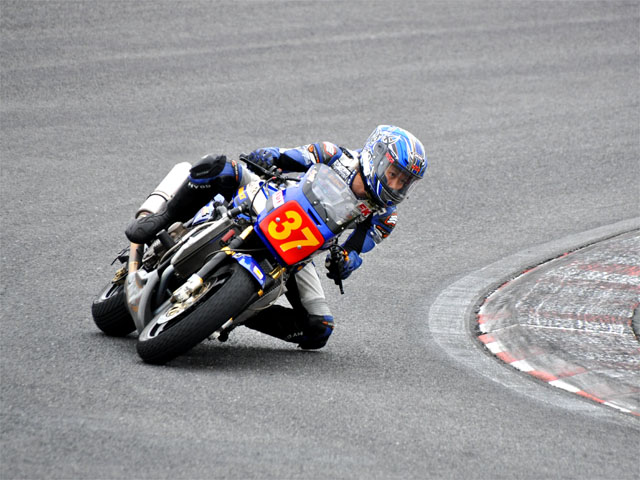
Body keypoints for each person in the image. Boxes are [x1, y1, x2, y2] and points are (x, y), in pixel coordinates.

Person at [125, 125, 427, 349]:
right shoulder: (333, 155)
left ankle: (224, 310)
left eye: (404, 181)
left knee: (318, 329)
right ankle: (163, 218)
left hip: (300, 249)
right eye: (393, 174)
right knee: (218, 166)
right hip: (269, 201)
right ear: (376, 157)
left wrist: (344, 262)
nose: (396, 185)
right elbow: (286, 156)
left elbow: (356, 251)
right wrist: (268, 156)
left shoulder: (384, 216)